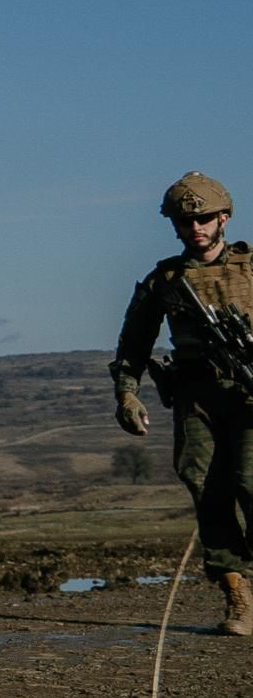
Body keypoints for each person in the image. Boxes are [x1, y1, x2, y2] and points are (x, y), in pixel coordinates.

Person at [112, 173, 253, 635]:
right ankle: (236, 588)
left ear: (224, 218)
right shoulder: (166, 281)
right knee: (203, 484)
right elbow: (134, 342)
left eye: (205, 218)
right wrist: (127, 393)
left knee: (251, 484)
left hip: (249, 394)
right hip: (197, 396)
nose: (196, 227)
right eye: (186, 220)